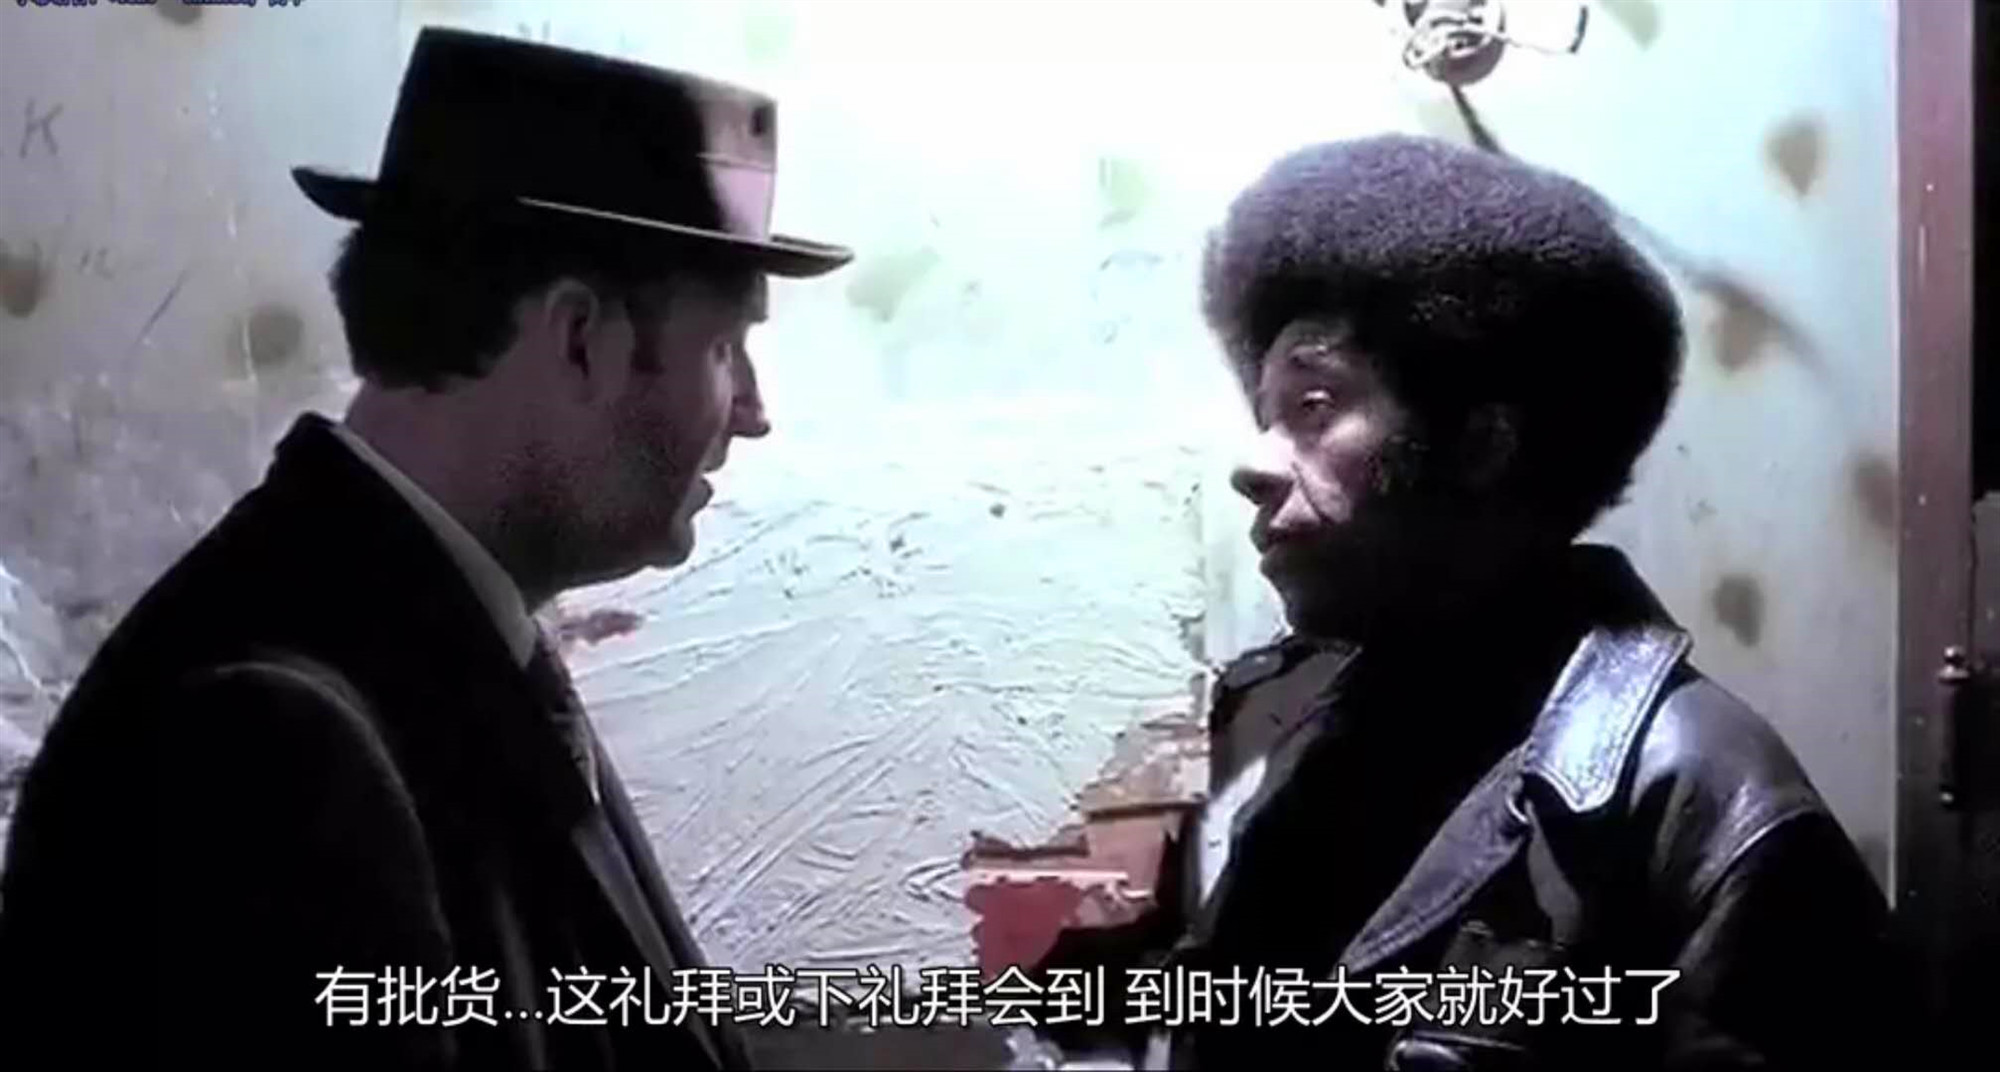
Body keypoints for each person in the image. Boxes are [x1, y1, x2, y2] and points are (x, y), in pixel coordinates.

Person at [0, 27, 849, 1069]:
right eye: (725, 347)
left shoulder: (430, 632)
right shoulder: (265, 746)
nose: (753, 411)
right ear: (580, 338)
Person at [1031, 134, 1898, 1069]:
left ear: (1481, 444)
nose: (1254, 466)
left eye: (1314, 406)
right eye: (1267, 416)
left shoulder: (1709, 804)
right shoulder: (1270, 725)